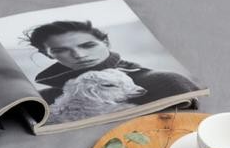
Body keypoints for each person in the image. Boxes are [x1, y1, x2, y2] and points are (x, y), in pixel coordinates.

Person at [23, 19, 201, 105]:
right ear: (48, 55)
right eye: (60, 50)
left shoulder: (166, 82)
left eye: (88, 45)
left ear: (106, 43)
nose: (78, 55)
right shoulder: (44, 99)